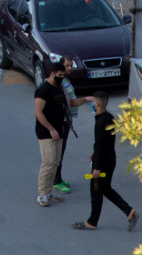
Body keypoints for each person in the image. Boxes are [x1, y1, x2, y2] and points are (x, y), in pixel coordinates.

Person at [73, 91, 137, 231]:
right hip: (110, 159)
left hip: (102, 163)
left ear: (97, 104)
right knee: (106, 189)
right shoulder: (109, 117)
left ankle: (92, 222)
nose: (92, 104)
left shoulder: (100, 122)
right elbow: (104, 142)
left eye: (93, 102)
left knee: (96, 191)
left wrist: (97, 167)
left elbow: (100, 145)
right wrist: (94, 153)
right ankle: (128, 211)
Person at [53, 56, 95, 195]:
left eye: (71, 65)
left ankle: (58, 179)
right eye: (67, 66)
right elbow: (69, 102)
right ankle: (55, 182)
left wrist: (85, 99)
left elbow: (71, 101)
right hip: (61, 122)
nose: (70, 68)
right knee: (58, 153)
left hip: (66, 120)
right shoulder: (60, 82)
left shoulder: (66, 80)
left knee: (61, 151)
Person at [34, 58, 70, 207]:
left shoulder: (59, 88)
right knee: (48, 163)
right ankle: (42, 194)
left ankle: (49, 192)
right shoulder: (43, 90)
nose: (61, 78)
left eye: (63, 76)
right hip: (46, 133)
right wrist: (51, 129)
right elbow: (38, 112)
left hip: (58, 131)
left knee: (55, 163)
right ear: (53, 73)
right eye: (59, 75)